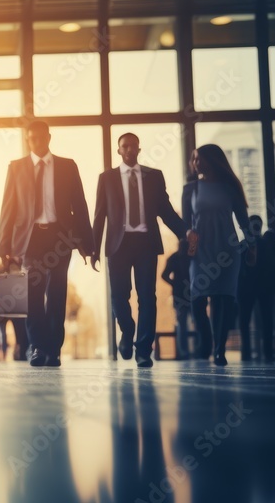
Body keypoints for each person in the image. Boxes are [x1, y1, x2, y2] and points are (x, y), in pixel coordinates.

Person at [0, 121, 95, 367]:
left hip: (60, 237)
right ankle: (38, 347)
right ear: (28, 140)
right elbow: (8, 208)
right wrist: (3, 246)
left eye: (40, 138)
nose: (36, 142)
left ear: (48, 138)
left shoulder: (67, 166)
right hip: (30, 239)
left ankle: (54, 349)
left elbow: (80, 205)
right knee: (32, 294)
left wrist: (88, 242)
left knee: (56, 292)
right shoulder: (16, 168)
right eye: (31, 139)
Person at [91, 132, 187, 367]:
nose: (130, 149)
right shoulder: (107, 178)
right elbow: (99, 215)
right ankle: (127, 330)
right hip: (117, 245)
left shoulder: (154, 176)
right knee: (118, 297)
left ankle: (143, 349)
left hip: (146, 244)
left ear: (139, 149)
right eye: (125, 146)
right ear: (119, 150)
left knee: (147, 297)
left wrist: (185, 232)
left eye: (134, 146)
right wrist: (93, 249)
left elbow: (165, 210)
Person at [183, 144, 256, 366]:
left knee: (223, 299)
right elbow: (185, 224)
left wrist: (252, 247)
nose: (195, 163)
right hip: (200, 250)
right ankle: (207, 341)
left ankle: (219, 350)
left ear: (212, 160)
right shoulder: (191, 189)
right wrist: (187, 238)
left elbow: (244, 222)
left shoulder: (229, 188)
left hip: (227, 249)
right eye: (193, 159)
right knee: (197, 300)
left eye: (199, 158)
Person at [237, 215, 275, 362]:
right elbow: (272, 266)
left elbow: (237, 268)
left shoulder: (242, 245)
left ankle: (246, 353)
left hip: (246, 288)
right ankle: (268, 353)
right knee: (267, 321)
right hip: (263, 288)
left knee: (245, 322)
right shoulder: (266, 245)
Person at [161, 239, 195, 359]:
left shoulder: (174, 258)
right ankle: (197, 350)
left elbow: (164, 275)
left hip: (179, 295)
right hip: (192, 293)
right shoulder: (193, 257)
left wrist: (174, 283)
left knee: (182, 324)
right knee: (196, 322)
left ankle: (184, 352)